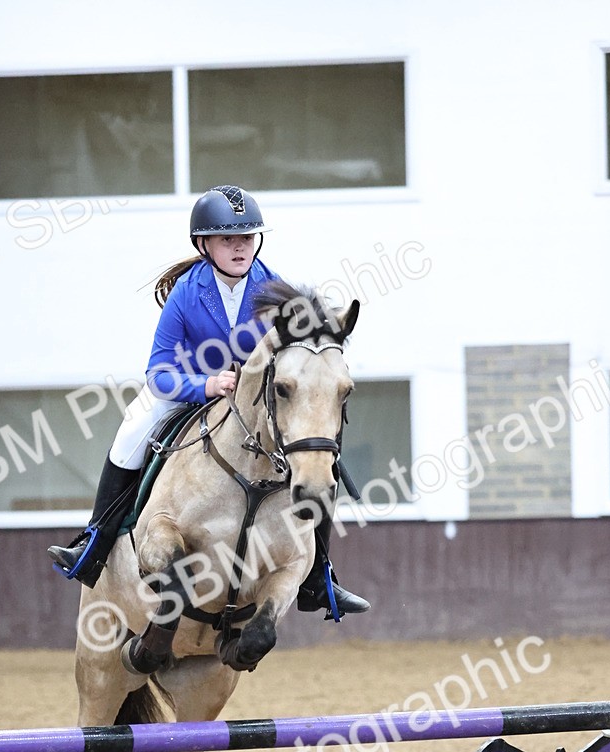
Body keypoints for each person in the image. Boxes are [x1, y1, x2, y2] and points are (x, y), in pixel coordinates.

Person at [48, 184, 369, 617]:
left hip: (255, 406)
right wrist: (207, 385)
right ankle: (95, 541)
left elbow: (306, 349)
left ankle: (319, 577)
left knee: (315, 458)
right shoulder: (185, 293)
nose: (240, 248)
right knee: (131, 429)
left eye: (247, 238)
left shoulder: (275, 291)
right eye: (227, 239)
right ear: (204, 244)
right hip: (185, 392)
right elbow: (158, 375)